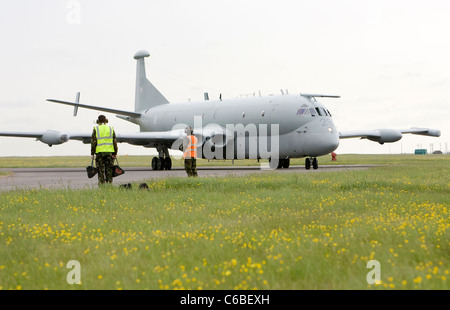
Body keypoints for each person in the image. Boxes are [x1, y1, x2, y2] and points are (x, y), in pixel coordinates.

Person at [91, 115, 118, 186]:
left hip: (99, 153)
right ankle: (109, 186)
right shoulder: (111, 128)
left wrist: (92, 153)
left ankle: (102, 186)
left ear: (98, 121)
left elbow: (93, 142)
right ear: (106, 121)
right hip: (110, 153)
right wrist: (115, 153)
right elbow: (114, 142)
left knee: (100, 171)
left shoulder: (96, 129)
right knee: (109, 171)